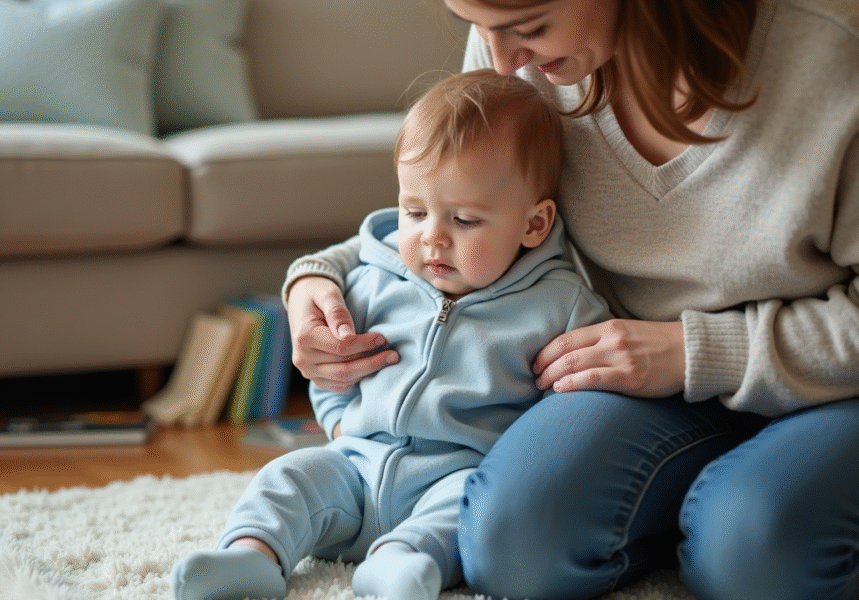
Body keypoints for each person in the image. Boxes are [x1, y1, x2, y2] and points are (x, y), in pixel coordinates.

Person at [282, 1, 859, 600]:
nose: (502, 61)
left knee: (755, 553)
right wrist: (314, 279)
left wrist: (697, 352)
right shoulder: (522, 62)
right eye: (475, 25)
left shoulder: (831, 47)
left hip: (835, 386)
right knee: (511, 546)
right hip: (642, 380)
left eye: (529, 27)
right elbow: (449, 222)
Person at [170, 69, 611, 600]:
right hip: (355, 464)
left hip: (461, 473)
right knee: (286, 478)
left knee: (463, 514)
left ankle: (397, 564)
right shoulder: (371, 281)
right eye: (415, 211)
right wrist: (336, 427)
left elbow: (576, 415)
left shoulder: (560, 307)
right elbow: (333, 370)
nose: (433, 238)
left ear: (534, 225)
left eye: (465, 220)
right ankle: (250, 557)